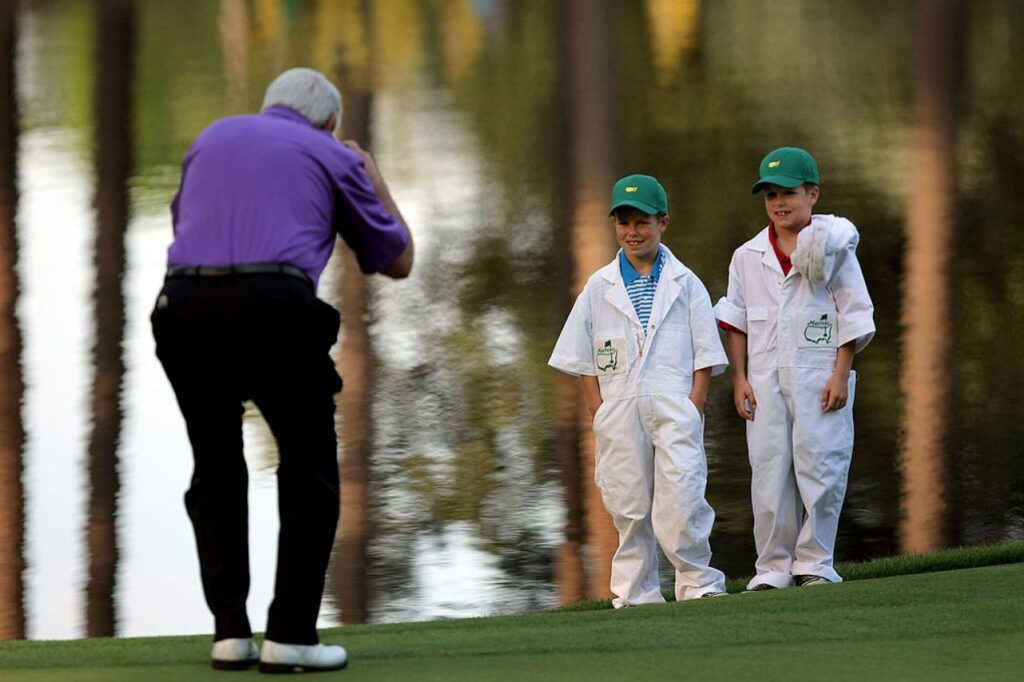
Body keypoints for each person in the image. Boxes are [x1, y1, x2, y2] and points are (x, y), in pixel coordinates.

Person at [151, 67, 413, 672]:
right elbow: (397, 259)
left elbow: (187, 228)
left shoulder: (211, 138)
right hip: (274, 308)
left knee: (215, 467)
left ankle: (230, 636)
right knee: (309, 467)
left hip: (182, 307)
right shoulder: (330, 152)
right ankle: (290, 634)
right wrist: (370, 174)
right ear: (329, 123)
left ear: (269, 107)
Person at [549, 174, 729, 606]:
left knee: (683, 496)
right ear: (614, 225)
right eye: (624, 222)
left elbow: (706, 354)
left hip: (674, 404)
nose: (633, 231)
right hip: (619, 409)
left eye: (642, 222)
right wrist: (599, 410)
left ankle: (697, 583)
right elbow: (581, 358)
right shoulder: (598, 288)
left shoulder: (686, 284)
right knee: (628, 506)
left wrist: (694, 404)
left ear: (663, 222)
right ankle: (636, 593)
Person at [714, 147, 874, 591]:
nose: (779, 203)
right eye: (770, 195)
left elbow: (854, 315)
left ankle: (815, 563)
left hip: (820, 376)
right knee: (769, 472)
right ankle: (772, 569)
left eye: (789, 193)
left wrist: (841, 375)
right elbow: (737, 320)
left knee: (821, 467)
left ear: (813, 194)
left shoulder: (834, 250)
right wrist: (739, 377)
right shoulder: (747, 255)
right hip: (762, 380)